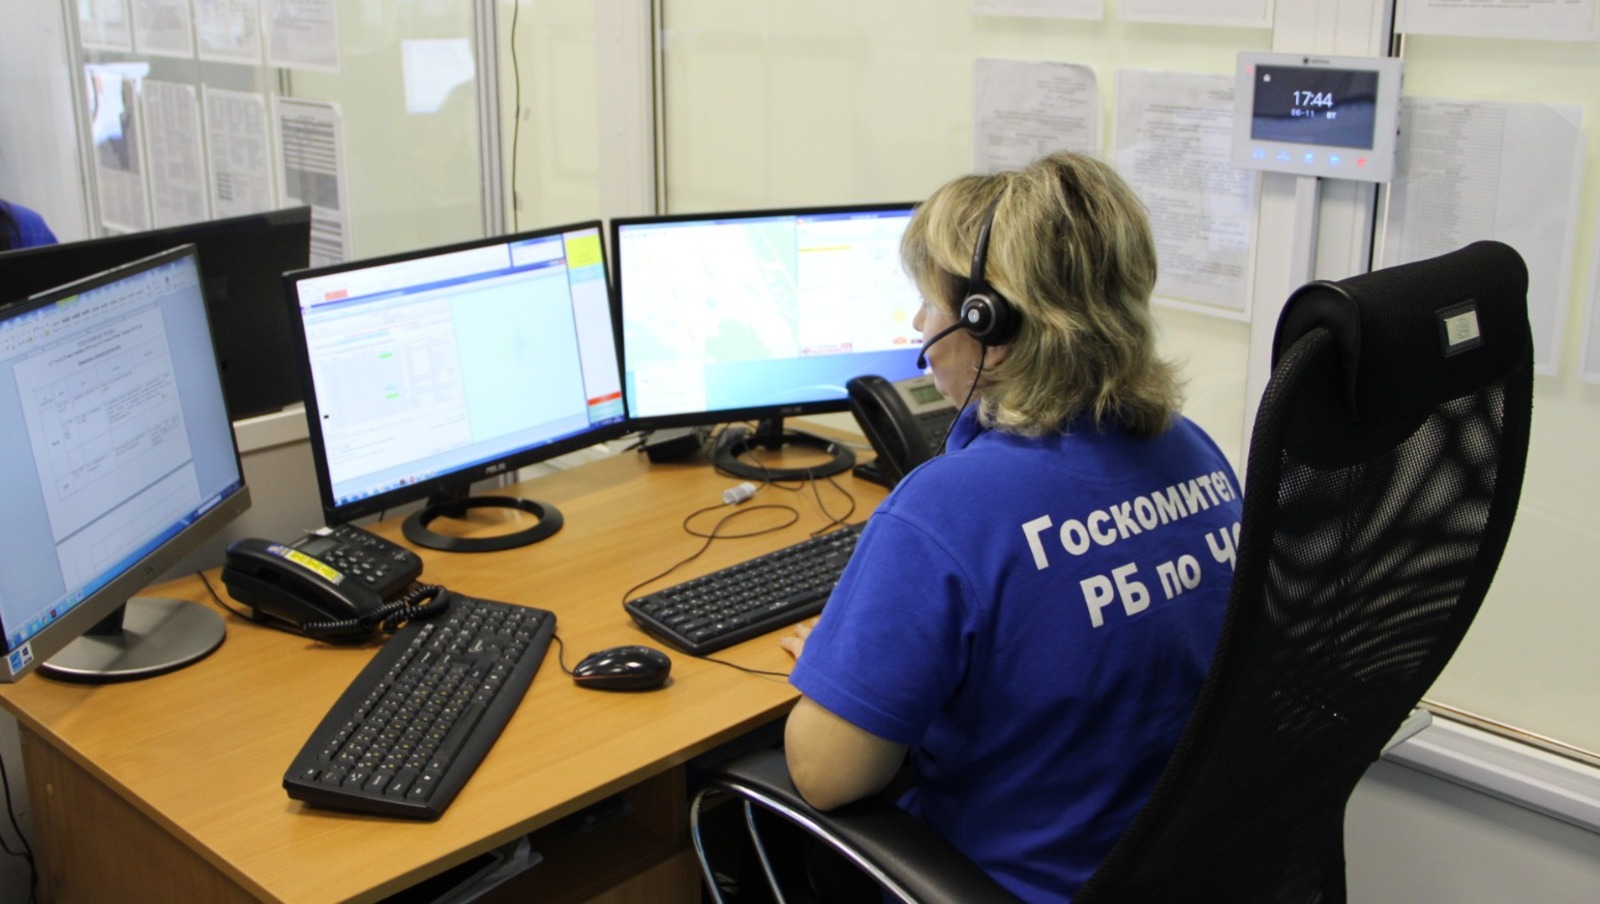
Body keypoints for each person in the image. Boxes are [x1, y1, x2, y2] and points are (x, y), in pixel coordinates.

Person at [780, 150, 1244, 902]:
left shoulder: (946, 509)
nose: (918, 324)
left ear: (988, 324)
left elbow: (825, 775)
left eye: (929, 303)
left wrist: (844, 675)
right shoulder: (1193, 452)